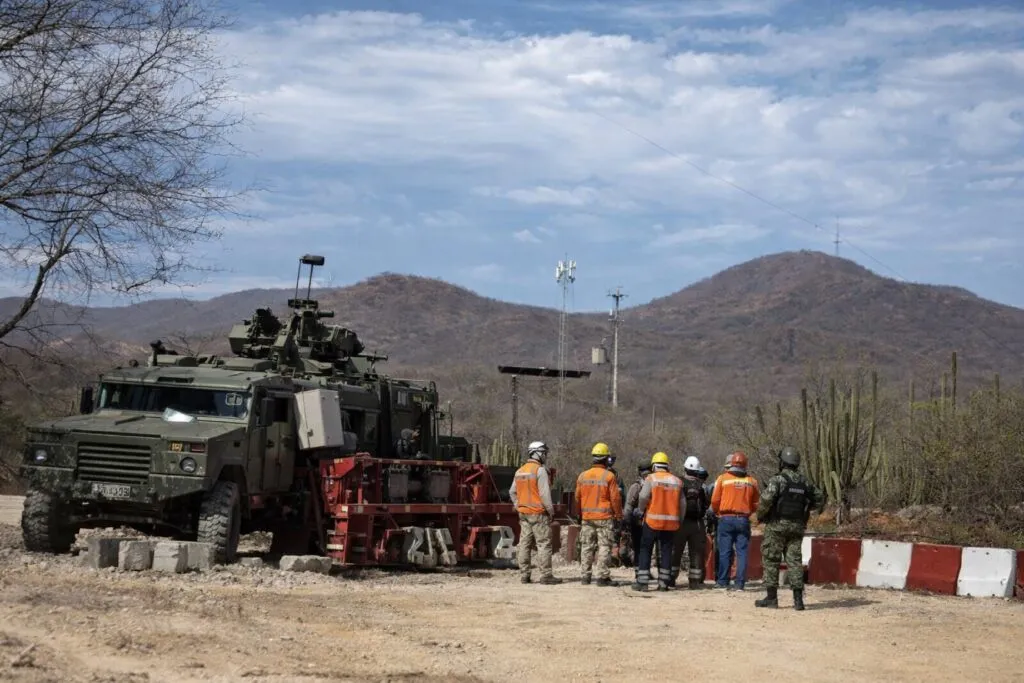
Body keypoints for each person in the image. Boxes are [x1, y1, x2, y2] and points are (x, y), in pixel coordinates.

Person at [755, 446, 825, 610]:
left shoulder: (778, 480)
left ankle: (772, 599)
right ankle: (798, 601)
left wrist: (760, 515)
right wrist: (808, 509)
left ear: (783, 462)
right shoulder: (804, 481)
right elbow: (819, 497)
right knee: (794, 562)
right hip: (797, 527)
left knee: (771, 559)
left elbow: (766, 500)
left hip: (777, 526)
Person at [632, 452, 686, 592]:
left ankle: (643, 583)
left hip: (652, 522)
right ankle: (663, 584)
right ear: (667, 465)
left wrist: (640, 509)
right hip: (670, 524)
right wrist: (679, 520)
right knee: (666, 551)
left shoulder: (651, 478)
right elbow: (683, 504)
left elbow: (643, 496)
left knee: (646, 550)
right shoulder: (677, 481)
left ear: (654, 466)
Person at [509, 440, 561, 585]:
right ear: (537, 453)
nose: (545, 456)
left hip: (524, 514)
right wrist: (550, 511)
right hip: (538, 514)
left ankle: (524, 575)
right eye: (544, 453)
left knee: (524, 543)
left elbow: (512, 492)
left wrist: (518, 506)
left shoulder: (520, 471)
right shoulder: (540, 470)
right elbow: (544, 494)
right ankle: (546, 575)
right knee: (544, 543)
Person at [575, 442, 623, 586]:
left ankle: (585, 577)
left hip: (587, 517)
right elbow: (615, 498)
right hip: (604, 518)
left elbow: (577, 498)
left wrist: (579, 514)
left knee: (586, 546)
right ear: (605, 458)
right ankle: (602, 577)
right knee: (604, 546)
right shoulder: (609, 476)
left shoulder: (583, 476)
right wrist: (618, 515)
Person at [710, 451, 759, 590]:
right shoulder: (752, 481)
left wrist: (718, 512)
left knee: (725, 552)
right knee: (742, 552)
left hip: (726, 519)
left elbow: (715, 500)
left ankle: (722, 581)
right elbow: (756, 503)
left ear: (731, 464)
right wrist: (748, 512)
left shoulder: (722, 479)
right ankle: (740, 583)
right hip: (743, 519)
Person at [670, 455, 709, 589]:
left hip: (680, 523)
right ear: (697, 471)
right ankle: (695, 581)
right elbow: (706, 505)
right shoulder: (702, 486)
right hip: (697, 524)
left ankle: (670, 579)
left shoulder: (678, 482)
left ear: (685, 468)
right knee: (696, 553)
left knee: (675, 551)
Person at [622, 461, 652, 566]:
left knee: (641, 547)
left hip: (643, 523)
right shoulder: (638, 486)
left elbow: (628, 506)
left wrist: (626, 521)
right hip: (644, 523)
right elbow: (629, 507)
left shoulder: (636, 486)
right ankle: (641, 569)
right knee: (643, 548)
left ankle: (641, 570)